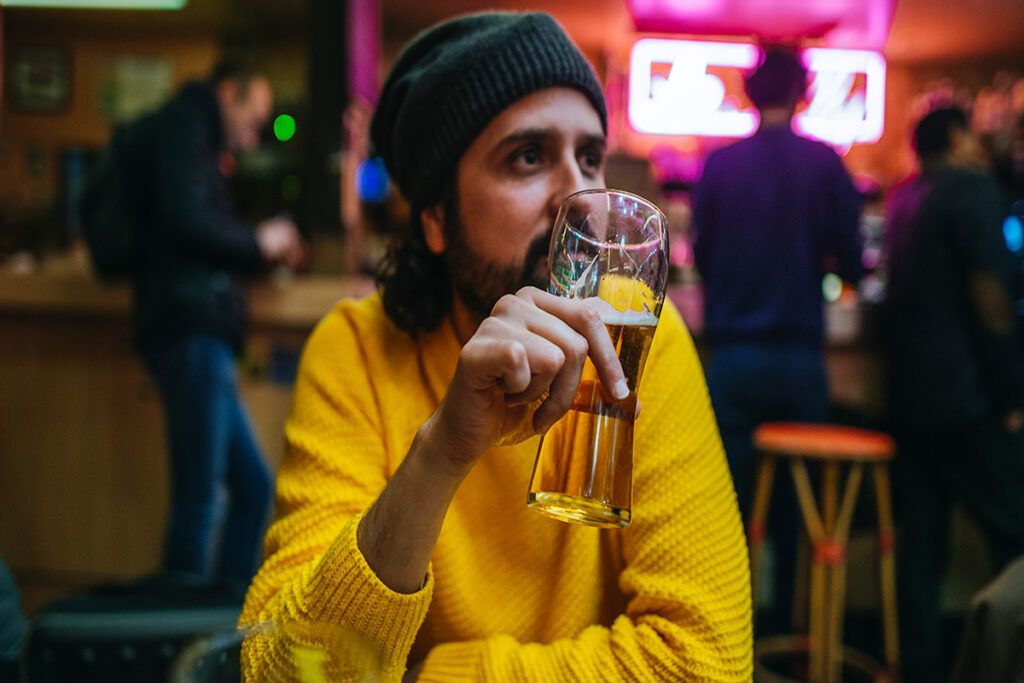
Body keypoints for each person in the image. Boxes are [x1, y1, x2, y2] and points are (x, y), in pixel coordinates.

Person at [240, 12, 752, 681]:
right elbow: (285, 670)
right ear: (435, 217)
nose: (581, 195)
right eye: (529, 157)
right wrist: (443, 449)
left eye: (590, 158)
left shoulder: (640, 337)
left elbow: (709, 662)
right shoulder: (358, 351)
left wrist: (437, 673)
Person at [691, 47, 864, 634]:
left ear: (748, 94)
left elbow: (703, 256)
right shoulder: (824, 163)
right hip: (797, 359)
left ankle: (727, 643)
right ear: (803, 95)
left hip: (732, 358)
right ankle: (794, 635)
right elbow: (852, 257)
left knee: (723, 513)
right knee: (799, 514)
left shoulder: (718, 165)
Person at [133, 61, 303, 595]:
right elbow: (189, 223)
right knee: (201, 498)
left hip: (202, 333)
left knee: (251, 490)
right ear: (229, 92)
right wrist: (259, 242)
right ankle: (178, 640)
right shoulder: (186, 126)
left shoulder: (198, 139)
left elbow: (195, 226)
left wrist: (256, 249)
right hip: (190, 331)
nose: (254, 134)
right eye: (253, 118)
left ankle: (219, 621)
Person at [882, 106, 1024, 683]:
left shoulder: (905, 196)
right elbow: (991, 296)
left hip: (909, 398)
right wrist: (1012, 389)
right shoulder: (974, 191)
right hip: (964, 397)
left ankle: (919, 668)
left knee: (921, 547)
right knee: (1014, 531)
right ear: (959, 137)